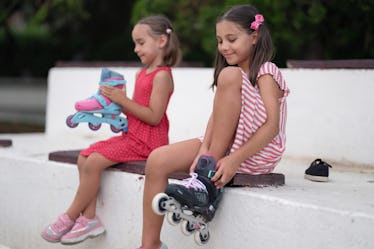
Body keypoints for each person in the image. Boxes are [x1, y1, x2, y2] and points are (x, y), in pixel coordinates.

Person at [138, 5, 290, 249]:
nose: (224, 47)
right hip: (225, 146)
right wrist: (204, 150)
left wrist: (233, 160)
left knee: (228, 75)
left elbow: (272, 127)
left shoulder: (266, 71)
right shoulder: (233, 75)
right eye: (220, 41)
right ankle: (150, 245)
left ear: (254, 36)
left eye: (231, 39)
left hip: (256, 151)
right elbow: (216, 117)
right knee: (157, 160)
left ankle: (204, 182)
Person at [41, 15, 181, 245]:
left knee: (95, 161)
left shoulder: (163, 75)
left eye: (141, 42)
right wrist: (113, 104)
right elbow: (136, 111)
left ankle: (70, 216)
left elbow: (154, 117)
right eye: (135, 43)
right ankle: (89, 219)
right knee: (84, 157)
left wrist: (122, 100)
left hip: (149, 142)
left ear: (161, 42)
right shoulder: (141, 73)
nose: (136, 49)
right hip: (132, 136)